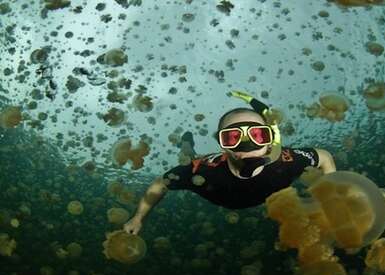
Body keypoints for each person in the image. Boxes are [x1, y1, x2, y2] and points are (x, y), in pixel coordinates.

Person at [124, 91, 336, 235]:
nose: (247, 145)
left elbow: (324, 156)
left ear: (271, 138)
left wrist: (330, 197)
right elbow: (161, 183)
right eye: (233, 137)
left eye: (258, 135)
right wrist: (138, 218)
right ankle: (186, 145)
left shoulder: (288, 159)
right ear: (222, 144)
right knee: (189, 156)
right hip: (210, 179)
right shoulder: (204, 170)